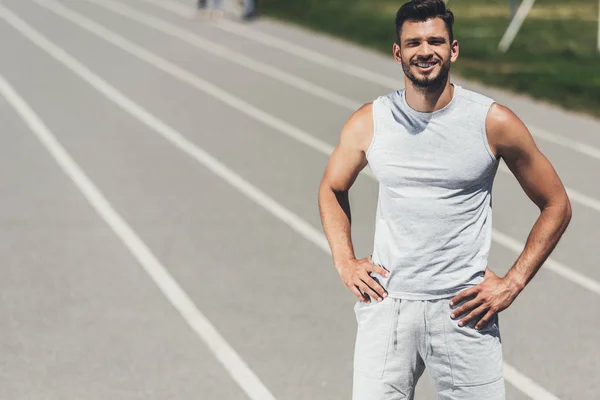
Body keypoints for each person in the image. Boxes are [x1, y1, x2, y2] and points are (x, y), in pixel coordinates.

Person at [317, 0, 572, 399]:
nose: (425, 51)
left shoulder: (493, 122)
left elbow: (556, 203)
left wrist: (513, 282)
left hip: (463, 310)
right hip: (388, 305)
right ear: (398, 52)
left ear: (453, 49)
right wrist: (345, 261)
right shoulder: (370, 121)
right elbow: (332, 188)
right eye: (414, 42)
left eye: (436, 41)